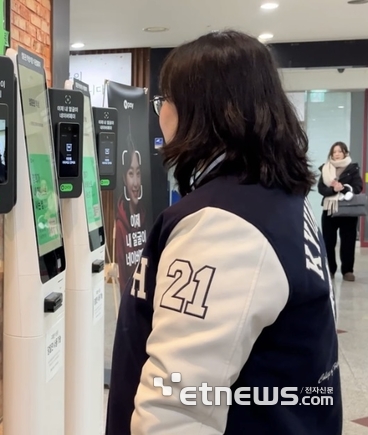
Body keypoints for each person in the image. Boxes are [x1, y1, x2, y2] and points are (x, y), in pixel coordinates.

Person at [106, 30, 341, 435]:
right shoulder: (275, 198)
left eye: (165, 101)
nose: (160, 115)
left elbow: (176, 410)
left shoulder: (222, 224)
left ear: (201, 111)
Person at [318, 141, 363, 282]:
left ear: (345, 152)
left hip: (347, 209)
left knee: (348, 242)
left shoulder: (352, 168)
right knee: (328, 241)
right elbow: (321, 189)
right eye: (334, 152)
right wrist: (333, 190)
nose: (336, 154)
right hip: (329, 210)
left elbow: (358, 187)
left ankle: (348, 271)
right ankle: (330, 269)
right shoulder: (325, 169)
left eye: (339, 151)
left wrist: (343, 188)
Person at [114, 140, 147, 296]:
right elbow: (122, 283)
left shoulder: (146, 216)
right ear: (124, 178)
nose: (135, 183)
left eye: (138, 173)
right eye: (131, 174)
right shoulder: (120, 226)